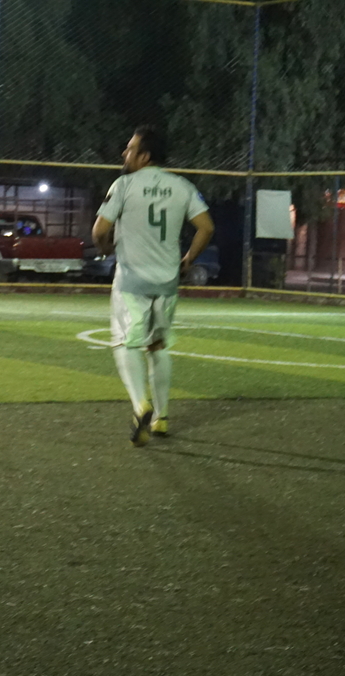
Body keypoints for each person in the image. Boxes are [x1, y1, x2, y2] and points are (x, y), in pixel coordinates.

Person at [93, 126, 214, 446]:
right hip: (167, 282)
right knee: (158, 346)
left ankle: (140, 406)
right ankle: (161, 417)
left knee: (125, 343)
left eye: (130, 148)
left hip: (132, 281)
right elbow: (206, 227)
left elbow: (99, 231)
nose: (124, 153)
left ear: (144, 156)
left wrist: (105, 248)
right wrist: (188, 259)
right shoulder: (182, 186)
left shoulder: (124, 185)